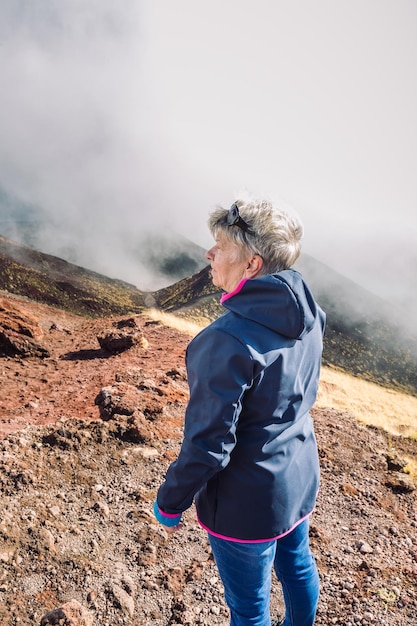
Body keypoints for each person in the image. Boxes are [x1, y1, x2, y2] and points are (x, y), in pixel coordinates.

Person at [153, 196, 326, 626]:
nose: (209, 253)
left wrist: (170, 503)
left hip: (246, 503)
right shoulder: (310, 313)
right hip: (299, 475)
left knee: (249, 610)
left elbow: (209, 445)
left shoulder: (225, 341)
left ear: (251, 264)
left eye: (221, 246)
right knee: (298, 564)